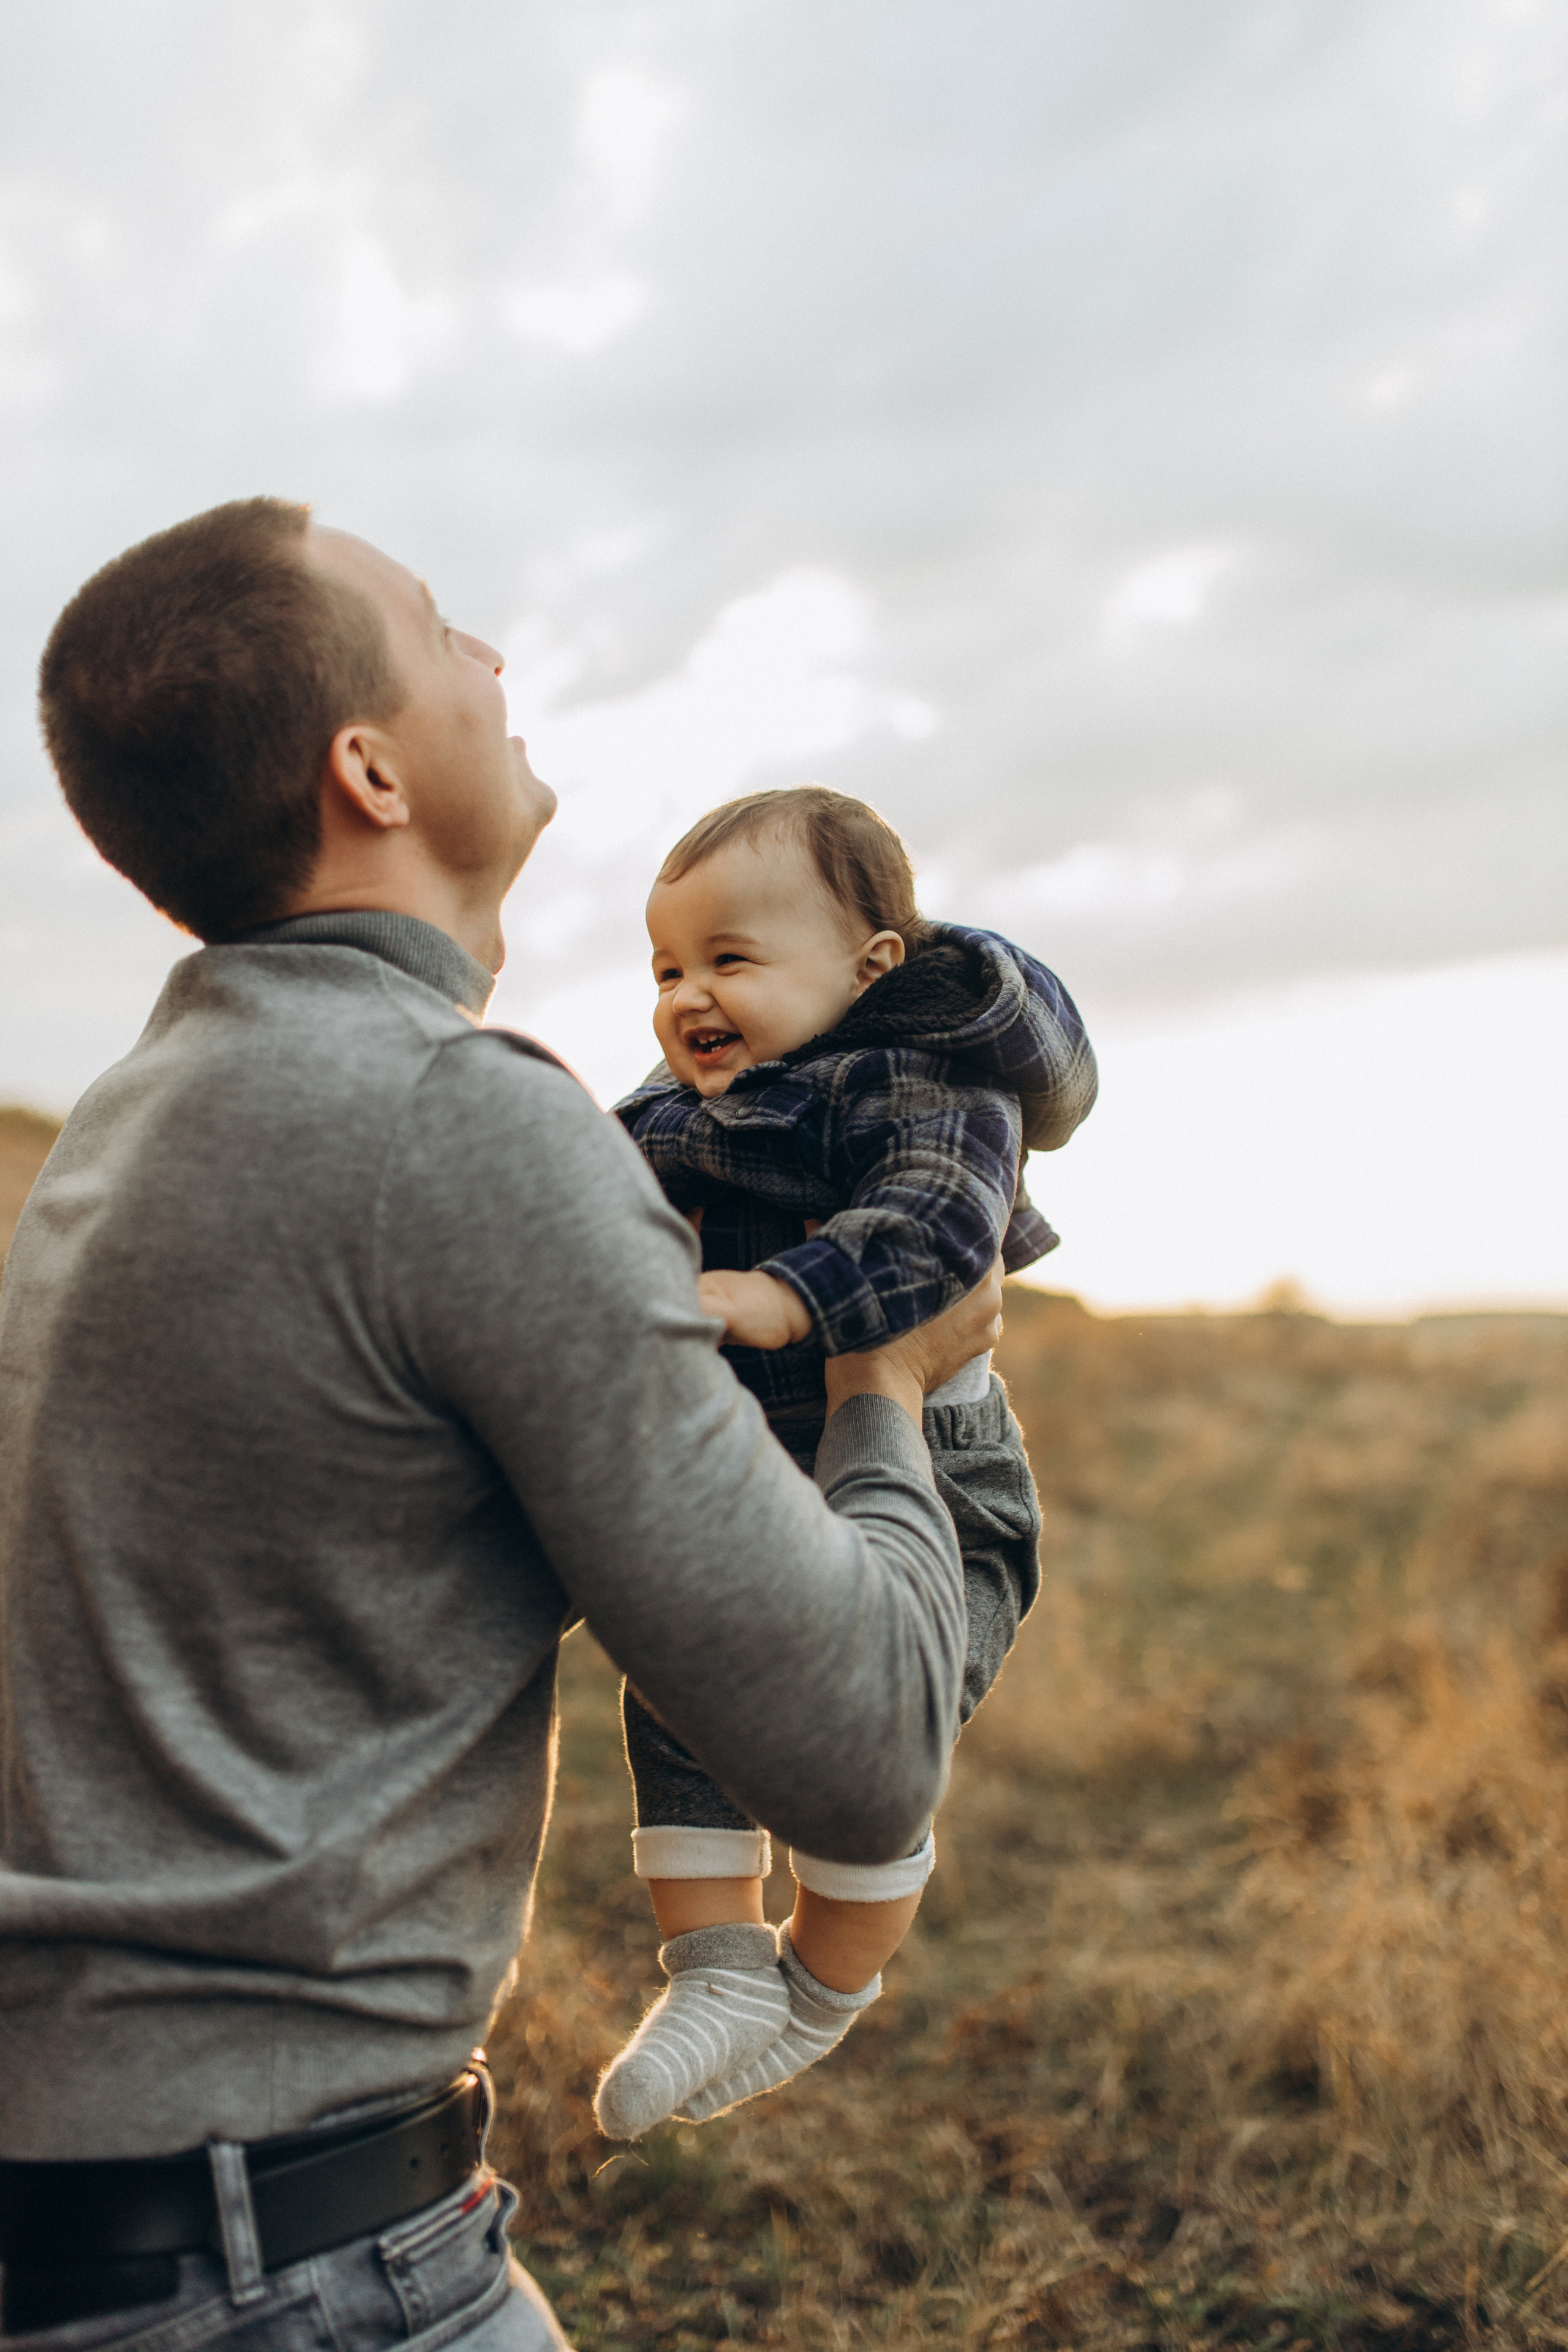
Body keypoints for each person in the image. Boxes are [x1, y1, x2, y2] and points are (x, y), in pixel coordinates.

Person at [0, 499, 1003, 2348]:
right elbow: (866, 1749)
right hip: (287, 2273)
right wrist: (887, 1384)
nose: (495, 659)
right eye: (440, 627)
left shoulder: (131, 1129)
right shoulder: (458, 1121)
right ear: (368, 769)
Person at [591, 787, 1096, 2141]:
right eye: (666, 968)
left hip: (933, 1469)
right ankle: (708, 1972)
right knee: (673, 1694)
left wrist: (787, 1297)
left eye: (729, 961)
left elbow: (937, 1226)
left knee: (871, 1733)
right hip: (757, 1462)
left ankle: (819, 1988)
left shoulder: (927, 1080)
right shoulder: (686, 1104)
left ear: (867, 970)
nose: (687, 995)